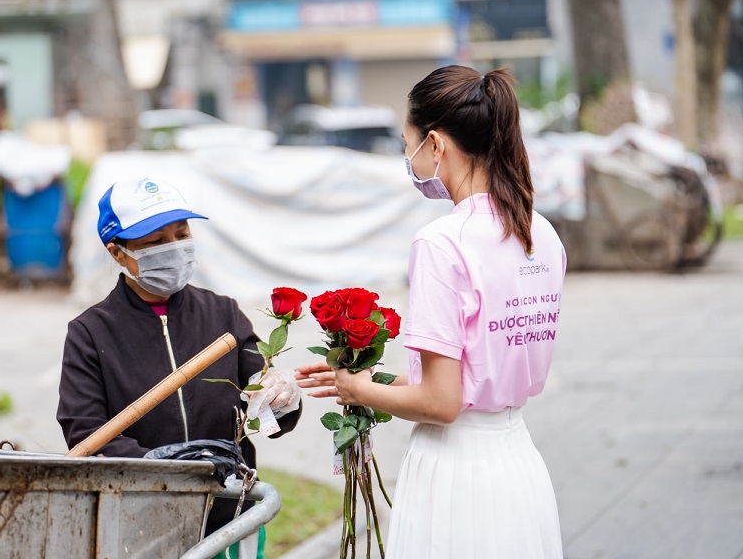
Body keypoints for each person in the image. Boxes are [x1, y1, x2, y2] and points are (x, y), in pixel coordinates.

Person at [295, 65, 566, 558]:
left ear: (436, 145)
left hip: (457, 478)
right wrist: (373, 383)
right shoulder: (540, 233)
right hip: (518, 467)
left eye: (407, 143)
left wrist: (357, 388)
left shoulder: (443, 243)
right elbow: (469, 385)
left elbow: (443, 404)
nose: (407, 156)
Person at [57, 177, 302, 559]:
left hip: (230, 517)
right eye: (155, 242)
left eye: (181, 233)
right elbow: (86, 433)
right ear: (118, 253)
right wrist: (166, 467)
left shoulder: (222, 313)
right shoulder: (90, 333)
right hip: (139, 524)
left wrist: (280, 396)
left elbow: (261, 389)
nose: (174, 248)